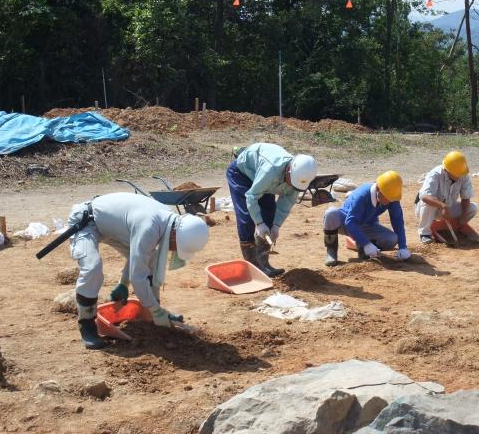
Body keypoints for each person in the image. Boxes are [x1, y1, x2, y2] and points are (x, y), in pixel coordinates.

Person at [68, 192, 209, 350]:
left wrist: (123, 283)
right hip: (86, 221)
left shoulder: (166, 220)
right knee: (92, 268)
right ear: (175, 235)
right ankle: (86, 325)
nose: (172, 250)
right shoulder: (149, 227)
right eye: (175, 246)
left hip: (111, 227)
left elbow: (139, 256)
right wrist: (158, 311)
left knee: (151, 256)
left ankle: (150, 316)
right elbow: (138, 276)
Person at [227, 143, 317, 277]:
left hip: (262, 178)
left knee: (269, 212)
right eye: (291, 181)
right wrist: (259, 223)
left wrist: (276, 225)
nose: (291, 185)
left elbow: (287, 201)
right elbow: (251, 197)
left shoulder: (300, 177)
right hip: (242, 174)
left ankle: (263, 263)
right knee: (247, 217)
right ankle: (254, 266)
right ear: (288, 170)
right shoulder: (270, 171)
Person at [322, 171, 410, 266]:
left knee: (392, 239)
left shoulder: (391, 197)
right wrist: (366, 243)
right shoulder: (362, 196)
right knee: (331, 214)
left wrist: (402, 247)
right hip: (347, 221)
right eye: (387, 197)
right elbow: (350, 222)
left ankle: (361, 247)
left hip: (368, 225)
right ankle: (331, 251)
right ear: (378, 189)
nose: (389, 201)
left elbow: (397, 221)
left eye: (391, 198)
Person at [415, 151, 479, 244]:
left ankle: (456, 226)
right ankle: (424, 233)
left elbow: (466, 198)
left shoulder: (463, 175)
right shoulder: (435, 174)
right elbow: (424, 197)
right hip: (427, 209)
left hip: (447, 208)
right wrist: (442, 206)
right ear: (446, 170)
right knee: (429, 203)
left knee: (473, 208)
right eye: (456, 173)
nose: (459, 176)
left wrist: (463, 217)